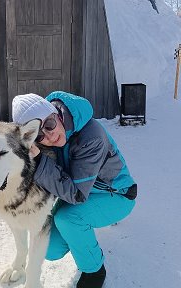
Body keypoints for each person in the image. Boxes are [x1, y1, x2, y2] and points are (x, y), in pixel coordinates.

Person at [12, 91, 137, 288]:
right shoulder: (44, 142)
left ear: (57, 114)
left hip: (116, 194)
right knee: (48, 247)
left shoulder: (91, 136)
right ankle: (81, 235)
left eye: (50, 125)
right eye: (40, 135)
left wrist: (39, 161)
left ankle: (94, 270)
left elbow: (76, 195)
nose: (50, 136)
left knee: (68, 219)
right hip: (77, 189)